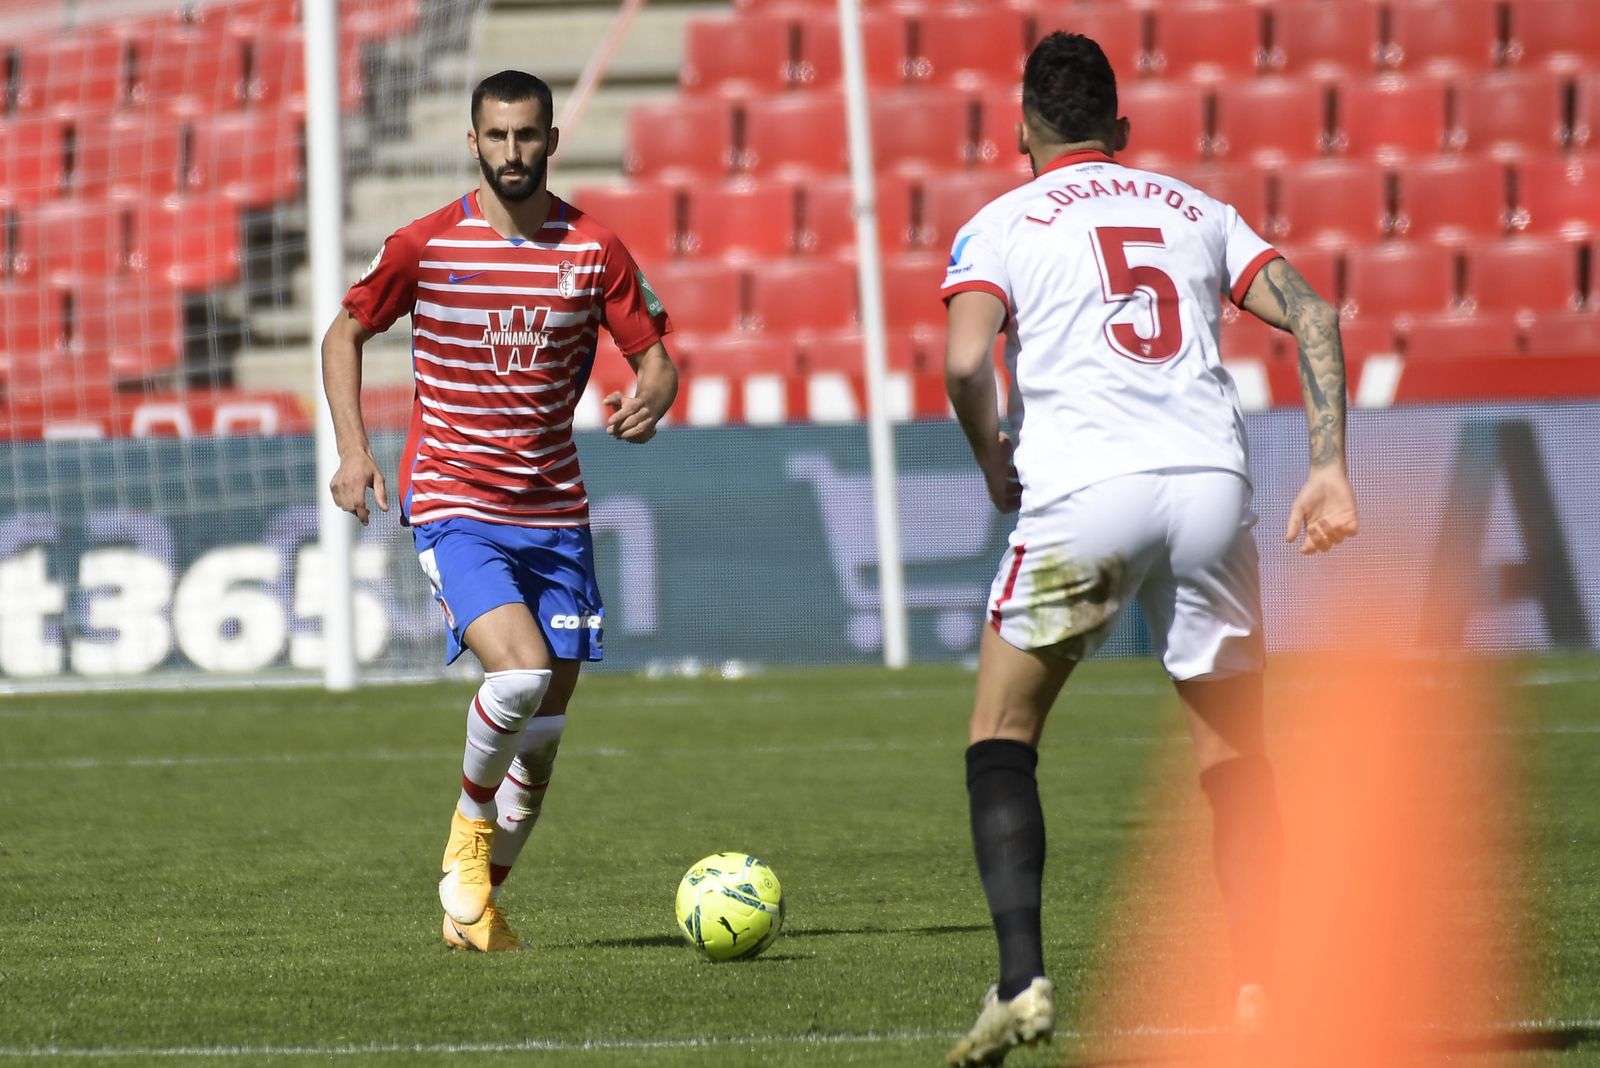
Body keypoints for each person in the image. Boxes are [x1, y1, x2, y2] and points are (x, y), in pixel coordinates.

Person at [940, 32, 1358, 1066]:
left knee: (1002, 731)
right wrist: (1329, 468)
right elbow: (1310, 311)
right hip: (1211, 487)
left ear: (1023, 130)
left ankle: (1019, 983)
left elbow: (961, 363)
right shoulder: (1194, 209)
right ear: (1119, 130)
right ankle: (1261, 987)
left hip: (1086, 492)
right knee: (1231, 753)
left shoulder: (999, 222)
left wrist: (995, 454)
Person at [321, 70, 677, 952]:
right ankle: (466, 834)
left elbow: (657, 357)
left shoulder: (595, 249)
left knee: (544, 739)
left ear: (552, 141)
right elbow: (344, 333)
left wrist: (652, 397)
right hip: (454, 501)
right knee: (515, 678)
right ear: (472, 142)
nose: (512, 152)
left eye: (528, 136)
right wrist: (355, 450)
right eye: (497, 136)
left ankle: (471, 911)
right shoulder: (426, 246)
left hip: (555, 513)